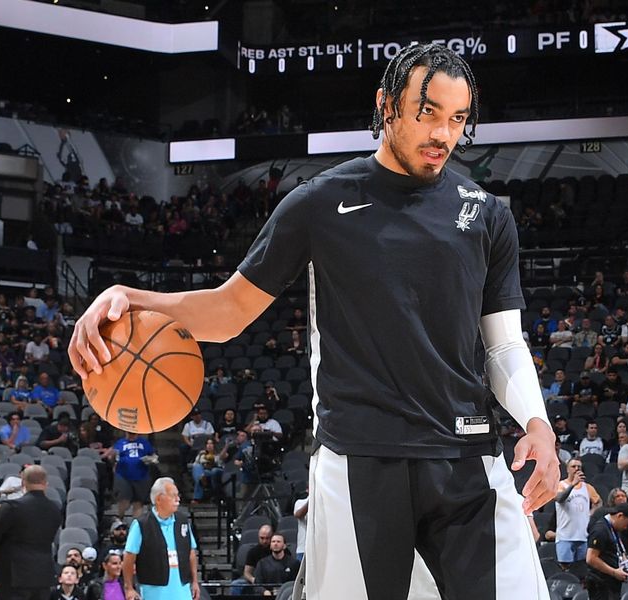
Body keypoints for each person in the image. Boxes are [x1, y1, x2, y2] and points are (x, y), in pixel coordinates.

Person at [69, 43, 558, 599]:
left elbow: (503, 344)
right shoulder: (319, 203)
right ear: (387, 106)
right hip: (360, 458)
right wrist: (128, 297)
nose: (443, 134)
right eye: (428, 113)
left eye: (457, 119)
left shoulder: (488, 213)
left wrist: (536, 423)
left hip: (470, 455)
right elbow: (229, 312)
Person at [0, 465, 62, 600]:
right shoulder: (55, 509)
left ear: (23, 482)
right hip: (42, 576)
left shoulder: (11, 507)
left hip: (12, 577)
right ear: (45, 483)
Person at [123, 477, 199, 600]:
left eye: (177, 495)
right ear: (159, 499)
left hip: (182, 589)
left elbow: (191, 552)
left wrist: (195, 581)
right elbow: (129, 557)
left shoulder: (183, 521)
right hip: (153, 591)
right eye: (173, 495)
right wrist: (129, 588)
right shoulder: (141, 524)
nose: (178, 499)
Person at [555, 458, 602, 569]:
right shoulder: (561, 485)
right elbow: (559, 498)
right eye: (573, 466)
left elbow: (599, 502)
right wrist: (573, 485)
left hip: (583, 536)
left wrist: (591, 513)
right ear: (567, 469)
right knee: (565, 568)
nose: (576, 469)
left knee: (582, 569)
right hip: (565, 536)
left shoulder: (587, 487)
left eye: (579, 467)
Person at [585, 503, 628, 600]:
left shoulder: (613, 529)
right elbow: (591, 558)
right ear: (620, 516)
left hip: (611, 583)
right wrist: (614, 572)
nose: (626, 528)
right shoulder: (601, 530)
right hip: (600, 583)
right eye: (627, 524)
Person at [111, 432, 155, 520]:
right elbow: (113, 456)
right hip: (123, 475)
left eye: (133, 434)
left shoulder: (144, 443)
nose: (131, 435)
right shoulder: (120, 442)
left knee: (138, 502)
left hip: (141, 476)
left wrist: (150, 460)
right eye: (129, 433)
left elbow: (153, 456)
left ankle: (136, 525)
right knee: (124, 500)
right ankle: (120, 520)